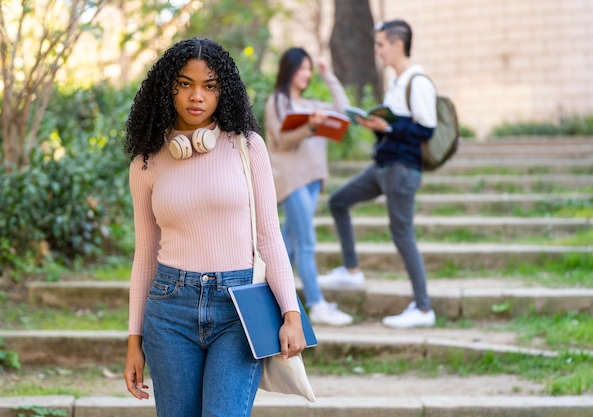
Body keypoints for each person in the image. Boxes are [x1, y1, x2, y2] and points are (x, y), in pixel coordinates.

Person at [122, 37, 306, 417]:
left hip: (239, 308)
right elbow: (144, 256)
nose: (197, 96)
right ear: (168, 87)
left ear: (223, 91)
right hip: (169, 309)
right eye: (185, 83)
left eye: (209, 86)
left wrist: (292, 314)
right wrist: (133, 341)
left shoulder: (248, 146)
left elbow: (269, 236)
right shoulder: (146, 163)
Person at [318, 20, 437, 329]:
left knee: (402, 234)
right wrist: (377, 127)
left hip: (402, 169)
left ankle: (423, 308)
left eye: (381, 44)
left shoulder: (417, 81)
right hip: (382, 166)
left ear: (398, 45)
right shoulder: (397, 82)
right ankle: (352, 269)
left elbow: (426, 128)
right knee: (339, 201)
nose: (378, 51)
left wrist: (388, 126)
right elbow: (395, 129)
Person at [264, 47, 354, 326]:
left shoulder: (310, 103)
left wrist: (328, 76)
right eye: (302, 68)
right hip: (292, 181)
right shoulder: (277, 101)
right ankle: (316, 304)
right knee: (306, 244)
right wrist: (310, 128)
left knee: (288, 244)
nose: (306, 74)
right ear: (289, 69)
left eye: (309, 69)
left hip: (314, 180)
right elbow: (280, 140)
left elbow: (343, 111)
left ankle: (270, 302)